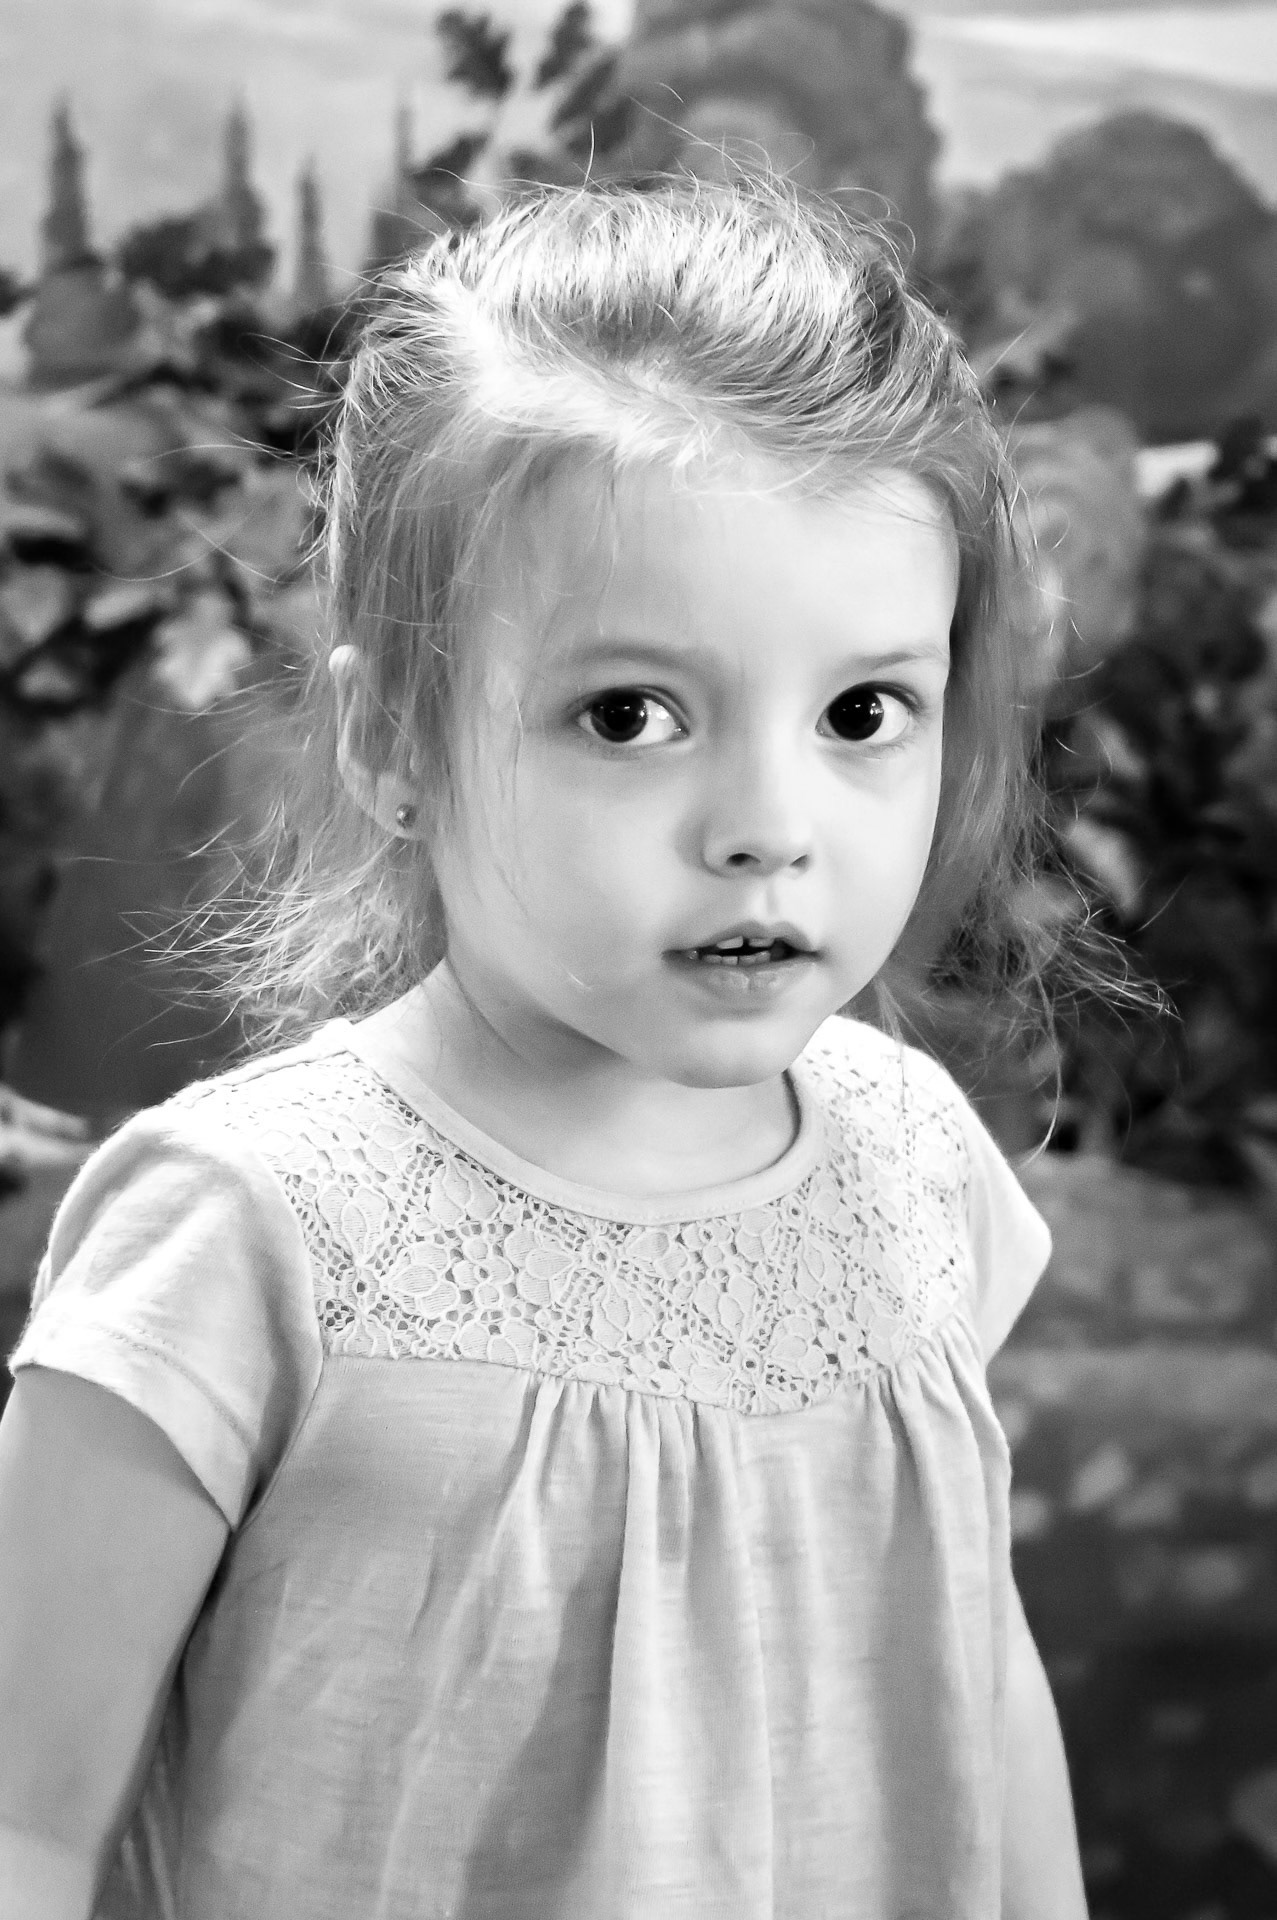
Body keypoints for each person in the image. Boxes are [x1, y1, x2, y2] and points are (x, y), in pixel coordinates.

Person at [0, 170, 1095, 1919]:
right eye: (629, 714)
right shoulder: (244, 1229)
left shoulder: (913, 1160)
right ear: (392, 737)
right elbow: (28, 1819)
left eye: (860, 710)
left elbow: (972, 1676)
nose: (767, 826)